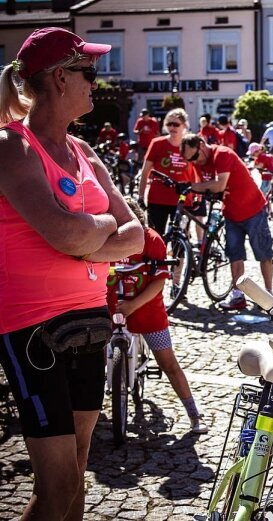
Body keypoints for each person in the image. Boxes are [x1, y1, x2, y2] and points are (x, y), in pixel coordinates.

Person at [0, 27, 145, 520]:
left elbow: (138, 235)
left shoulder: (84, 152)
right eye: (89, 72)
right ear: (60, 78)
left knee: (77, 476)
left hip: (88, 318)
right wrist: (100, 229)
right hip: (31, 327)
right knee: (56, 487)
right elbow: (64, 233)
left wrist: (89, 239)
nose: (96, 82)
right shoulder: (12, 146)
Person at [107, 198, 208, 433]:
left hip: (147, 309)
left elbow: (160, 281)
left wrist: (134, 305)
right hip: (111, 307)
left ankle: (194, 413)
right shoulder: (107, 237)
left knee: (168, 362)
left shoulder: (152, 240)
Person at [181, 133, 273, 310]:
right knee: (234, 254)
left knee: (264, 253)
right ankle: (238, 294)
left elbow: (219, 185)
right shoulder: (200, 162)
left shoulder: (222, 154)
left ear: (201, 145)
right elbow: (206, 186)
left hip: (253, 208)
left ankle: (269, 294)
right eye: (190, 160)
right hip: (231, 212)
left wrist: (190, 186)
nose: (194, 162)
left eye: (194, 157)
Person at [136, 108, 198, 235]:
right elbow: (145, 171)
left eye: (176, 124)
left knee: (181, 240)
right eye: (169, 124)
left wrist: (198, 195)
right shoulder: (157, 143)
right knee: (156, 237)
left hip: (182, 199)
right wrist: (141, 196)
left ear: (184, 125)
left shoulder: (191, 144)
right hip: (158, 198)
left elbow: (196, 172)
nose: (172, 127)